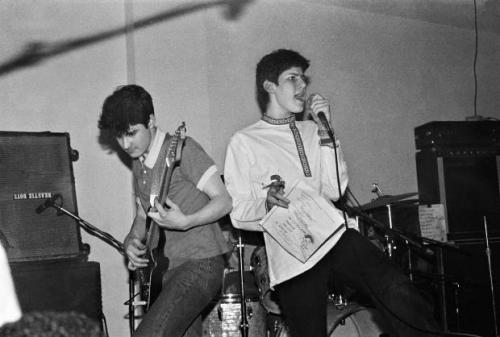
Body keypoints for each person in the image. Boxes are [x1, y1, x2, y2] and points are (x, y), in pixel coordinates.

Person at [223, 49, 441, 337]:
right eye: (292, 78)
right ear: (269, 86)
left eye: (304, 79)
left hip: (334, 237)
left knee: (396, 289)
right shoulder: (244, 141)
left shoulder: (314, 131)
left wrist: (327, 131)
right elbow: (237, 212)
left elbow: (333, 188)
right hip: (293, 257)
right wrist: (264, 204)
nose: (302, 87)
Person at [98, 85, 232, 337]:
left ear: (151, 121)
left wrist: (187, 221)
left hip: (201, 263)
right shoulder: (139, 166)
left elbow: (224, 201)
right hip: (169, 269)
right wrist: (131, 240)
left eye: (131, 133)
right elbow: (142, 217)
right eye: (119, 136)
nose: (125, 144)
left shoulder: (183, 150)